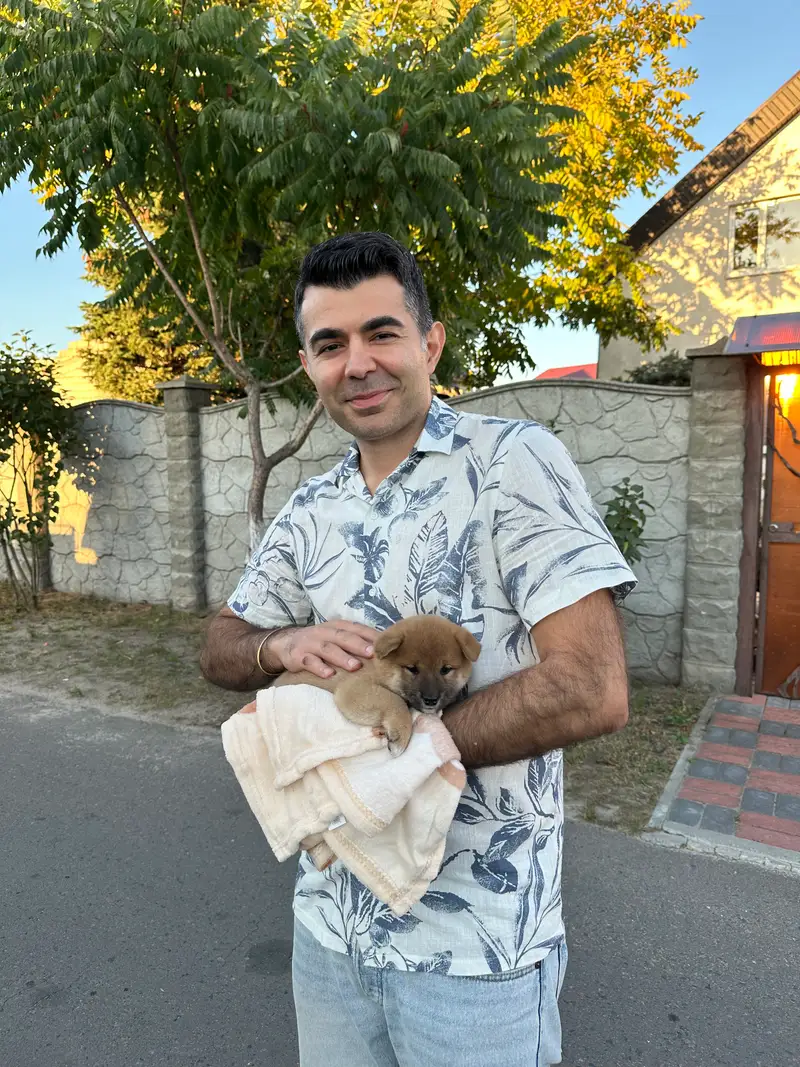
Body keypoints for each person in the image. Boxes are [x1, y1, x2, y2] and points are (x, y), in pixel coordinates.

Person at [200, 231, 636, 1067]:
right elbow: (220, 646)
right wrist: (278, 642)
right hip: (330, 930)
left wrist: (401, 759)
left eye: (381, 332)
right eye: (331, 344)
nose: (357, 362)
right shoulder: (310, 508)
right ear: (308, 363)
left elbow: (592, 686)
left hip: (477, 953)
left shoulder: (515, 464)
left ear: (430, 341)